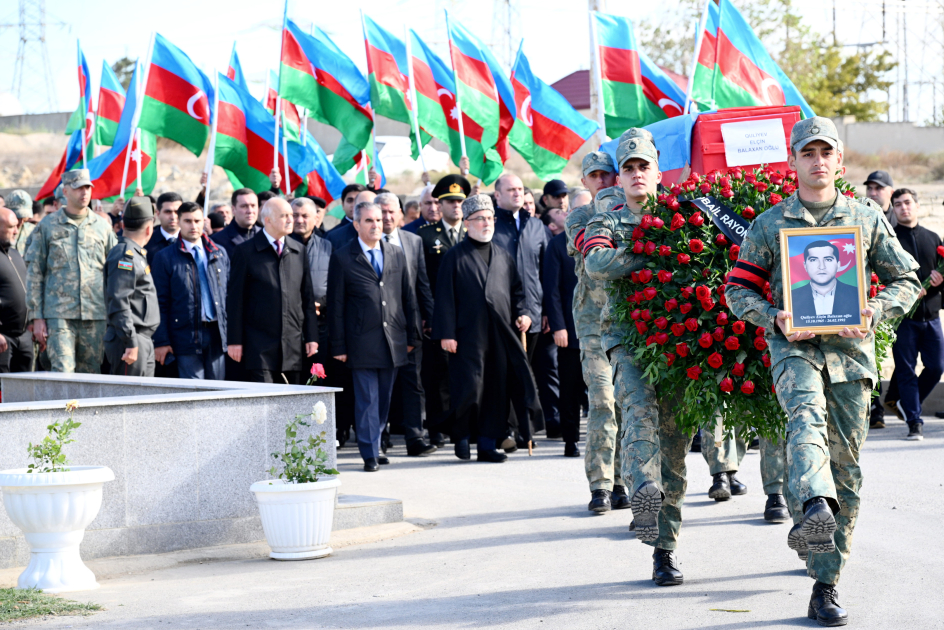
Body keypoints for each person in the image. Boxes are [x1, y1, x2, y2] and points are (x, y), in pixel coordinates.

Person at [726, 117, 920, 626]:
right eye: (806, 152)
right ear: (792, 161)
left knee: (848, 469)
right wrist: (773, 317)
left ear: (838, 161)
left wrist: (877, 309)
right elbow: (737, 288)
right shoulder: (771, 224)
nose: (816, 161)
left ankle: (827, 574)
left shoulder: (866, 219)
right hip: (795, 350)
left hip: (852, 357)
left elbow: (907, 278)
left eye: (825, 152)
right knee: (804, 425)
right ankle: (814, 510)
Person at [584, 129, 689, 585]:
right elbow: (597, 262)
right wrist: (652, 255)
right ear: (620, 177)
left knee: (676, 450)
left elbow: (700, 258)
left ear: (657, 172)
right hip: (626, 337)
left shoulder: (682, 214)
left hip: (677, 342)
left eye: (644, 166)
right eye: (628, 168)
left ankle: (665, 548)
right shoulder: (604, 218)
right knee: (637, 412)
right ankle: (641, 488)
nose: (636, 174)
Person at [432, 194, 542, 463]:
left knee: (495, 389)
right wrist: (446, 333)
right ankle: (461, 437)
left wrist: (524, 314)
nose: (486, 223)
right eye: (480, 218)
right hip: (466, 334)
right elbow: (444, 296)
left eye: (490, 218)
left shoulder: (503, 256)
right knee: (469, 387)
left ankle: (486, 444)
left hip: (500, 334)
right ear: (467, 223)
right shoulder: (454, 256)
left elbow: (518, 292)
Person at [327, 201, 419, 471]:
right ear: (356, 224)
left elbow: (407, 297)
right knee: (367, 399)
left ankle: (375, 443)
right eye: (369, 220)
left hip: (393, 340)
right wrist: (339, 344)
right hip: (360, 341)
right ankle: (369, 452)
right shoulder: (343, 257)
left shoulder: (395, 253)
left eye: (378, 220)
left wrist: (412, 336)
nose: (376, 225)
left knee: (383, 399)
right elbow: (336, 306)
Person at [565, 151, 629, 513]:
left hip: (626, 323)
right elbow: (583, 244)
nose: (602, 181)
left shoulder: (631, 213)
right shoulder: (581, 216)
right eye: (595, 176)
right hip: (592, 324)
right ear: (586, 181)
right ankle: (601, 484)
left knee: (625, 401)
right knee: (602, 401)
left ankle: (623, 480)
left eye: (607, 175)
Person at [26, 169, 118, 374]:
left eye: (87, 188)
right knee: (62, 372)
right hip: (59, 315)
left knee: (91, 375)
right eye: (78, 188)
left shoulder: (102, 227)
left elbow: (115, 274)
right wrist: (37, 317)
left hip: (95, 314)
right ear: (65, 191)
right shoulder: (47, 226)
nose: (84, 193)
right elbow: (35, 273)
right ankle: (62, 408)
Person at [227, 198, 319, 384]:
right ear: (267, 220)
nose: (290, 220)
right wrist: (234, 340)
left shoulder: (298, 251)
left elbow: (307, 299)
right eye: (284, 216)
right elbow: (235, 300)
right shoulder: (245, 252)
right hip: (258, 345)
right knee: (265, 402)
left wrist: (311, 337)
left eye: (290, 215)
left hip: (292, 344)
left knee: (291, 404)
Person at [377, 192, 437, 457]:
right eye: (383, 212)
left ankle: (415, 437)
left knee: (414, 383)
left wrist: (430, 319)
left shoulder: (413, 241)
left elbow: (422, 283)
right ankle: (380, 437)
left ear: (401, 213)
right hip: (377, 326)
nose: (388, 217)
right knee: (381, 384)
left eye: (392, 211)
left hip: (409, 325)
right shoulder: (366, 242)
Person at [492, 172, 549, 448]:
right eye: (510, 189)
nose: (517, 193)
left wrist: (546, 310)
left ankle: (527, 431)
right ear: (498, 196)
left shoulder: (536, 227)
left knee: (527, 373)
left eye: (519, 189)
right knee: (504, 374)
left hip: (534, 313)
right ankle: (506, 430)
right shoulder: (491, 226)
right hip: (502, 315)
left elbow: (546, 272)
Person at [418, 174, 471, 449]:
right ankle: (438, 427)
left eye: (460, 201)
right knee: (437, 376)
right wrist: (430, 315)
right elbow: (422, 280)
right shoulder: (426, 236)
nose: (455, 206)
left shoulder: (472, 234)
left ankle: (463, 424)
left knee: (464, 373)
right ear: (439, 204)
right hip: (438, 316)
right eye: (450, 201)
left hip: (468, 317)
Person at [886, 188, 944, 441]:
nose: (903, 208)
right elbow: (884, 278)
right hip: (903, 321)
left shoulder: (933, 238)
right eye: (897, 204)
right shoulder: (890, 241)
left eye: (907, 203)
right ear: (893, 210)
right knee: (906, 371)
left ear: (917, 206)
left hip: (931, 317)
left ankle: (909, 404)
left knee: (936, 367)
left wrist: (939, 281)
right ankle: (914, 422)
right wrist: (906, 292)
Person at [152, 202, 230, 380]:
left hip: (217, 335)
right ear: (179, 222)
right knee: (194, 393)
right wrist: (162, 341)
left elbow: (228, 297)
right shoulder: (164, 257)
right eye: (187, 221)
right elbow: (159, 302)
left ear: (204, 221)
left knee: (218, 392)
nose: (193, 226)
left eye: (197, 220)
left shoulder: (219, 254)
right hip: (185, 335)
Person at [103, 197, 160, 377]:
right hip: (130, 340)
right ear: (149, 229)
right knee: (128, 401)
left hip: (139, 339)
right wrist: (130, 342)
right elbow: (119, 302)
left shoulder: (133, 252)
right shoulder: (125, 256)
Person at [543, 217, 582, 457]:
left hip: (602, 329)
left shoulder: (601, 238)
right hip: (570, 329)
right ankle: (570, 439)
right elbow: (552, 289)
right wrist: (558, 326)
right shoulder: (558, 244)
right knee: (570, 389)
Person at [789, 241, 861, 326]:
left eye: (828, 259)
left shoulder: (857, 295)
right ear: (805, 266)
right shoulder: (791, 297)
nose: (821, 266)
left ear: (838, 264)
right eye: (813, 260)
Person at [0, 207, 32, 372]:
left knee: (24, 388)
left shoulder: (15, 253)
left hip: (23, 336)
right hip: (3, 338)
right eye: (11, 226)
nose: (16, 231)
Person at [212, 189, 261, 259]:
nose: (250, 211)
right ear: (233, 209)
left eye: (253, 206)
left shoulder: (266, 235)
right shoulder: (217, 240)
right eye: (244, 206)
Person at [145, 192, 182, 266]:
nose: (173, 217)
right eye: (168, 212)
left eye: (177, 212)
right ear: (158, 214)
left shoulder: (191, 240)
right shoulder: (146, 241)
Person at [6, 190, 35, 256]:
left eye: (24, 217)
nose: (21, 222)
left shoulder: (33, 230)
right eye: (17, 217)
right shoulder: (2, 232)